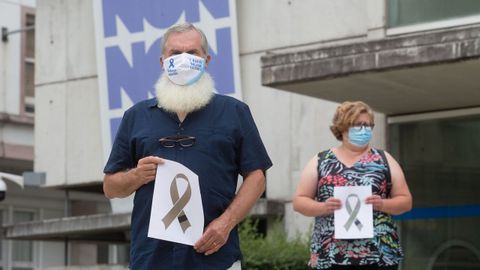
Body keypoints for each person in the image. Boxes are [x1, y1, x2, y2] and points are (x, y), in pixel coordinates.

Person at [103, 22, 272, 270]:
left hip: (214, 254)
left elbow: (256, 177)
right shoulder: (136, 116)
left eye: (192, 53)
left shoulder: (234, 112)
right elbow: (110, 186)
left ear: (206, 59)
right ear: (162, 61)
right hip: (151, 256)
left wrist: (226, 223)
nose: (183, 59)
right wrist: (136, 176)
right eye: (174, 53)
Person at [293, 101, 412, 270]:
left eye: (369, 125)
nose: (365, 129)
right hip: (330, 256)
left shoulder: (384, 160)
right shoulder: (321, 161)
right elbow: (299, 201)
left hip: (379, 256)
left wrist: (383, 204)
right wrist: (324, 207)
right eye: (358, 125)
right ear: (342, 127)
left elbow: (405, 201)